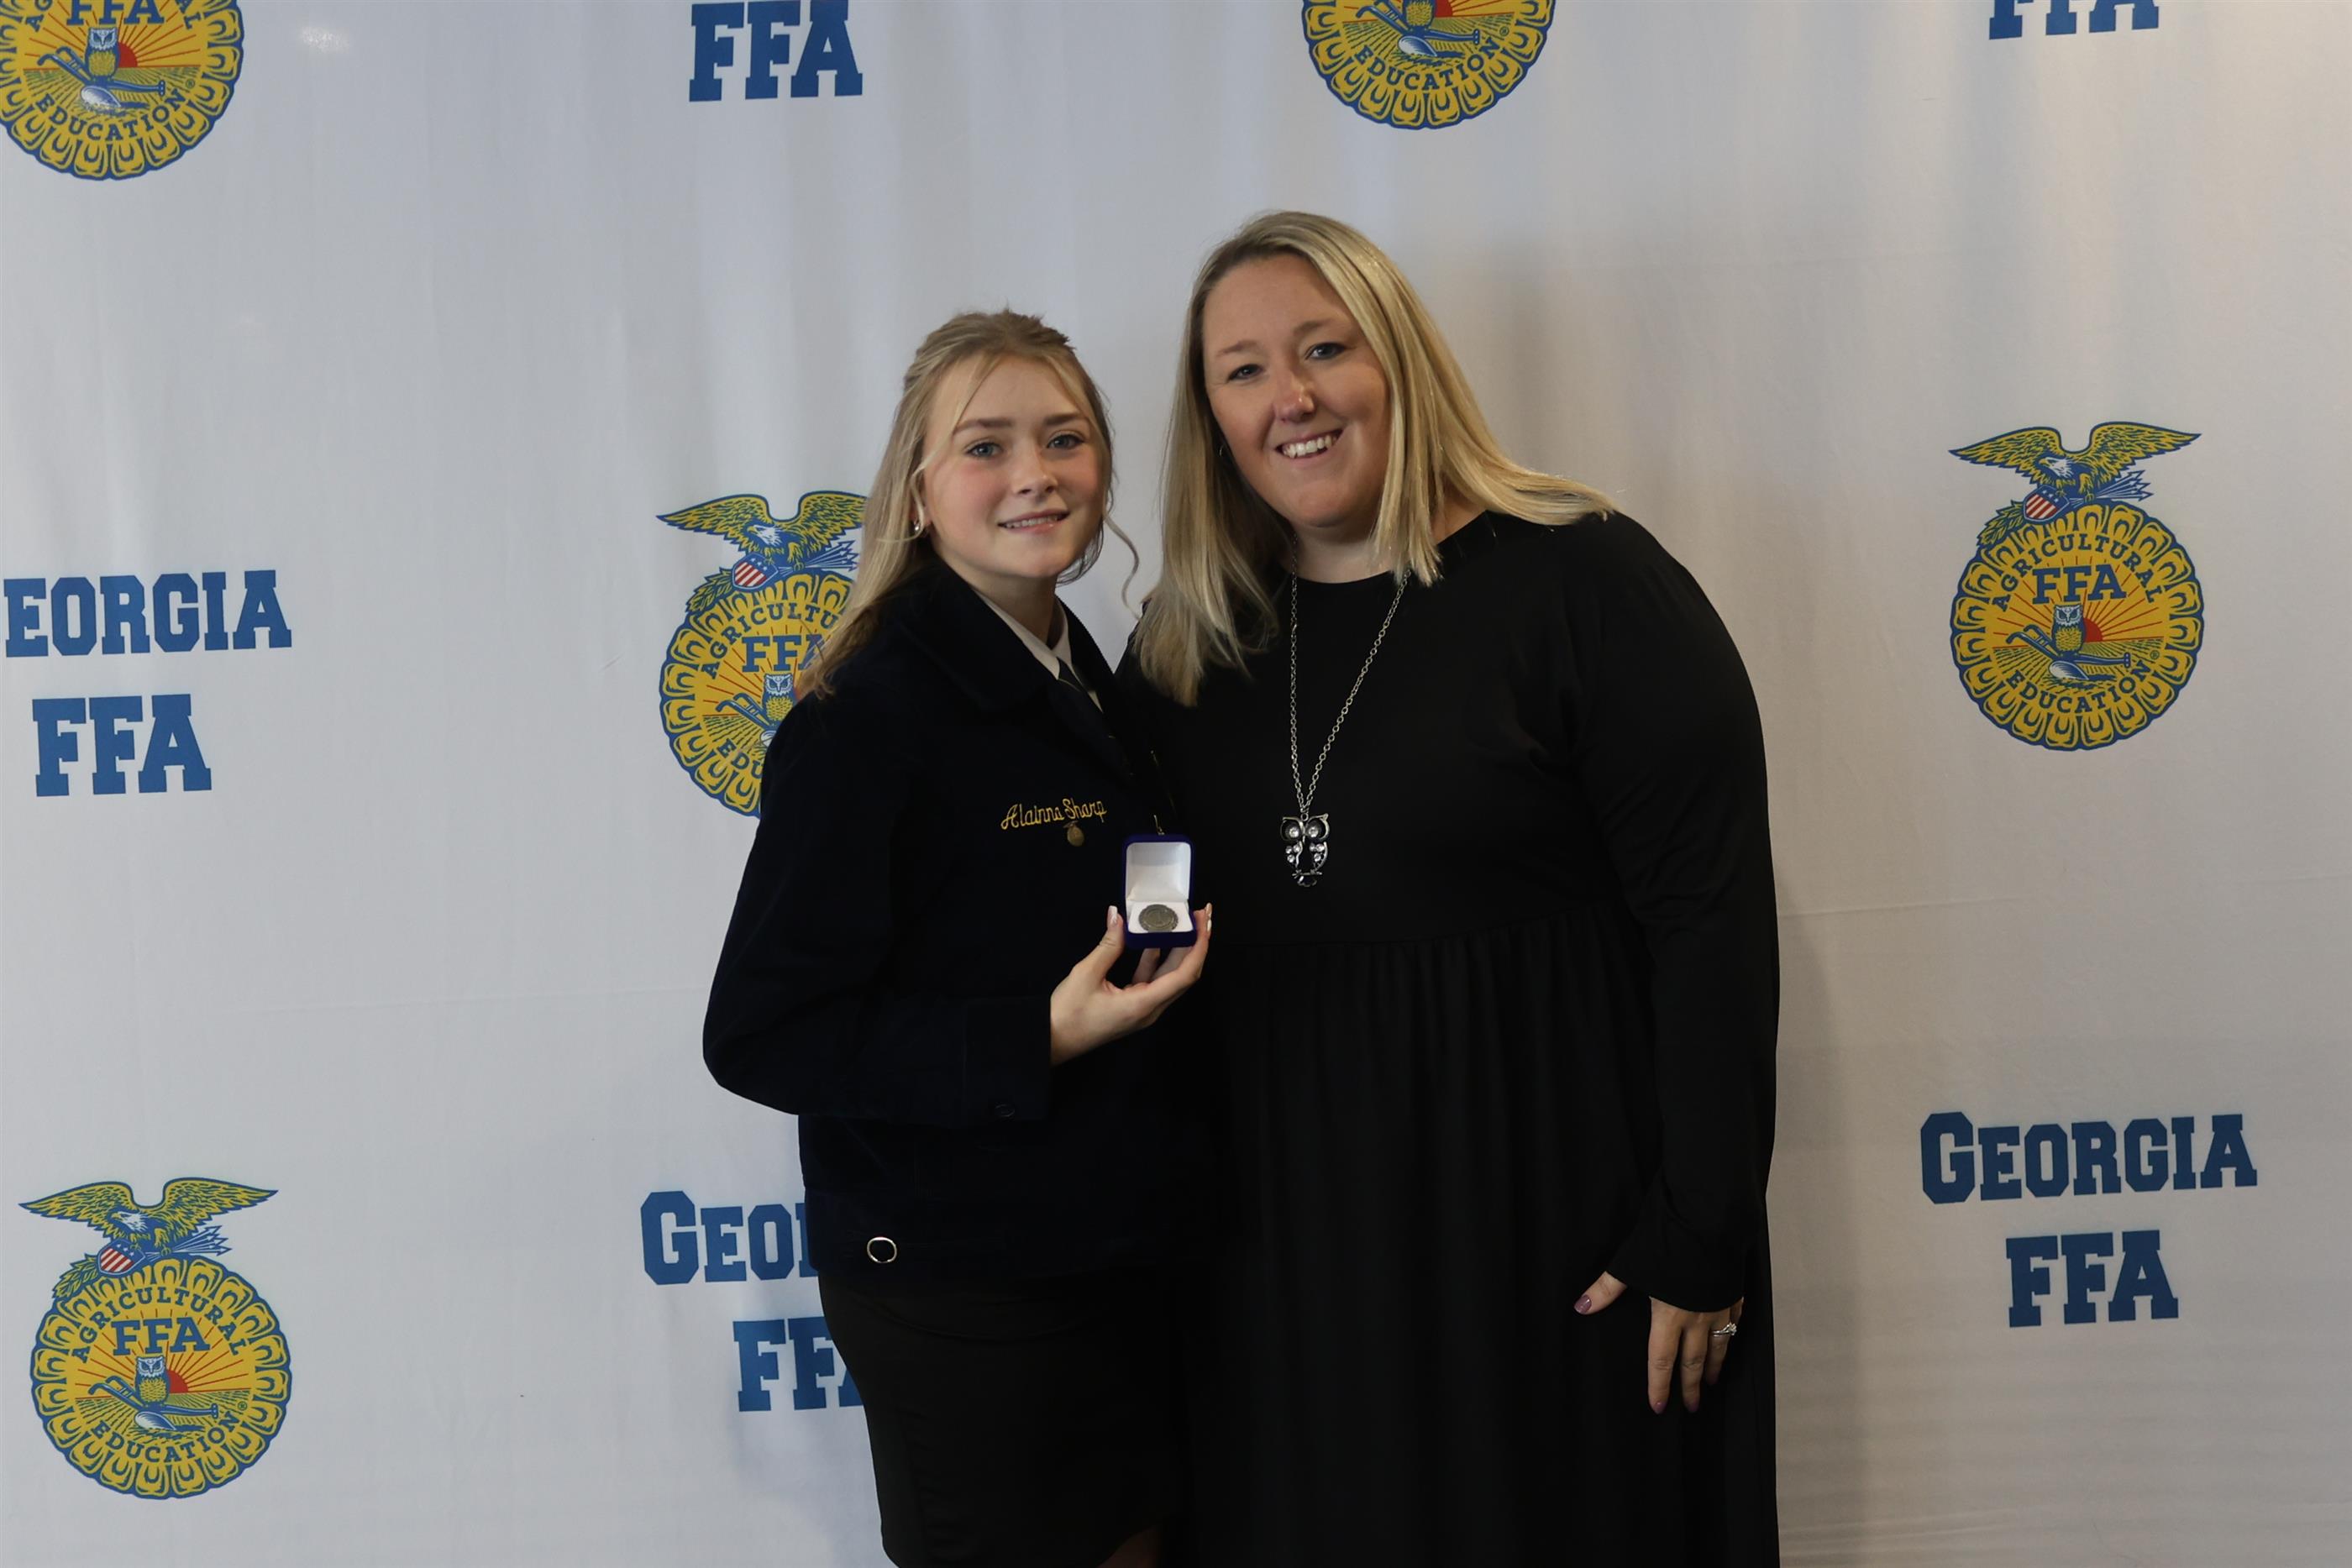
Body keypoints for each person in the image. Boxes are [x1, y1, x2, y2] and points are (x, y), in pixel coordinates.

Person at [1124, 213, 1779, 1565]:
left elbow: (1710, 927)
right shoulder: (1187, 645)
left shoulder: (1590, 583)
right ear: (1211, 416)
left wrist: (1700, 1230)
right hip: (1287, 1275)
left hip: (1561, 1244)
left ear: (1402, 363)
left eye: (1325, 349)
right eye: (1243, 370)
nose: (1291, 397)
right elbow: (1142, 932)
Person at [705, 311, 1211, 1568]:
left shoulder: (1087, 673)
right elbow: (765, 1034)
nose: (1034, 473)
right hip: (967, 1283)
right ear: (920, 491)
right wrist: (1038, 1036)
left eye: (1065, 439)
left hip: (1113, 1249)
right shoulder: (864, 719)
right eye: (986, 446)